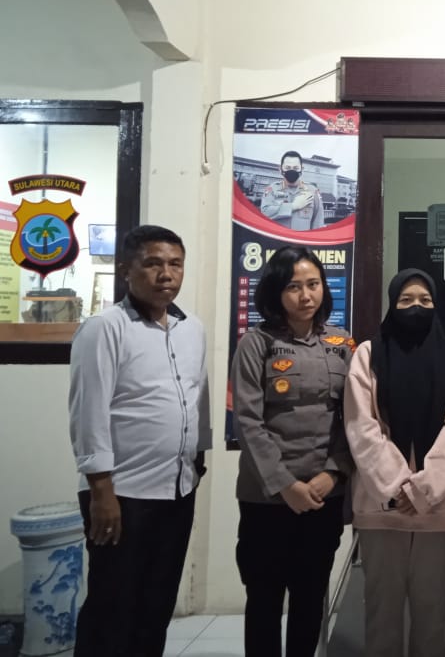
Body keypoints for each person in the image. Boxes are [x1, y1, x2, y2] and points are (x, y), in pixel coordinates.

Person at [69, 225, 210, 657]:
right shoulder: (104, 328)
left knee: (156, 606)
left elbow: (196, 396)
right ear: (126, 270)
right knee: (112, 609)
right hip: (122, 495)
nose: (166, 274)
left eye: (175, 264)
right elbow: (88, 411)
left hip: (177, 491)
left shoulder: (192, 328)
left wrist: (198, 461)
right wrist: (101, 491)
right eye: (153, 264)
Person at [345, 269, 445, 657]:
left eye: (425, 300)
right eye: (405, 300)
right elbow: (361, 425)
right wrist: (397, 486)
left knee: (431, 612)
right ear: (391, 305)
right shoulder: (368, 354)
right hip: (381, 504)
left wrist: (423, 488)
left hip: (437, 505)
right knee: (381, 612)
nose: (415, 307)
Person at [231, 246, 353, 657]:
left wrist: (333, 472)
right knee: (264, 601)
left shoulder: (341, 343)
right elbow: (248, 422)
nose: (306, 295)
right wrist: (285, 485)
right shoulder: (257, 343)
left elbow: (352, 418)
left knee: (310, 598)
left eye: (313, 284)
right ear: (276, 292)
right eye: (294, 287)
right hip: (267, 499)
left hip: (323, 496)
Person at [260, 150, 326, 230]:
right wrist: (293, 206)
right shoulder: (272, 189)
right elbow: (264, 213)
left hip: (302, 238)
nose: (291, 171)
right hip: (278, 237)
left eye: (296, 168)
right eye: (287, 168)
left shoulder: (312, 191)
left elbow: (318, 223)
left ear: (302, 169)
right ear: (280, 169)